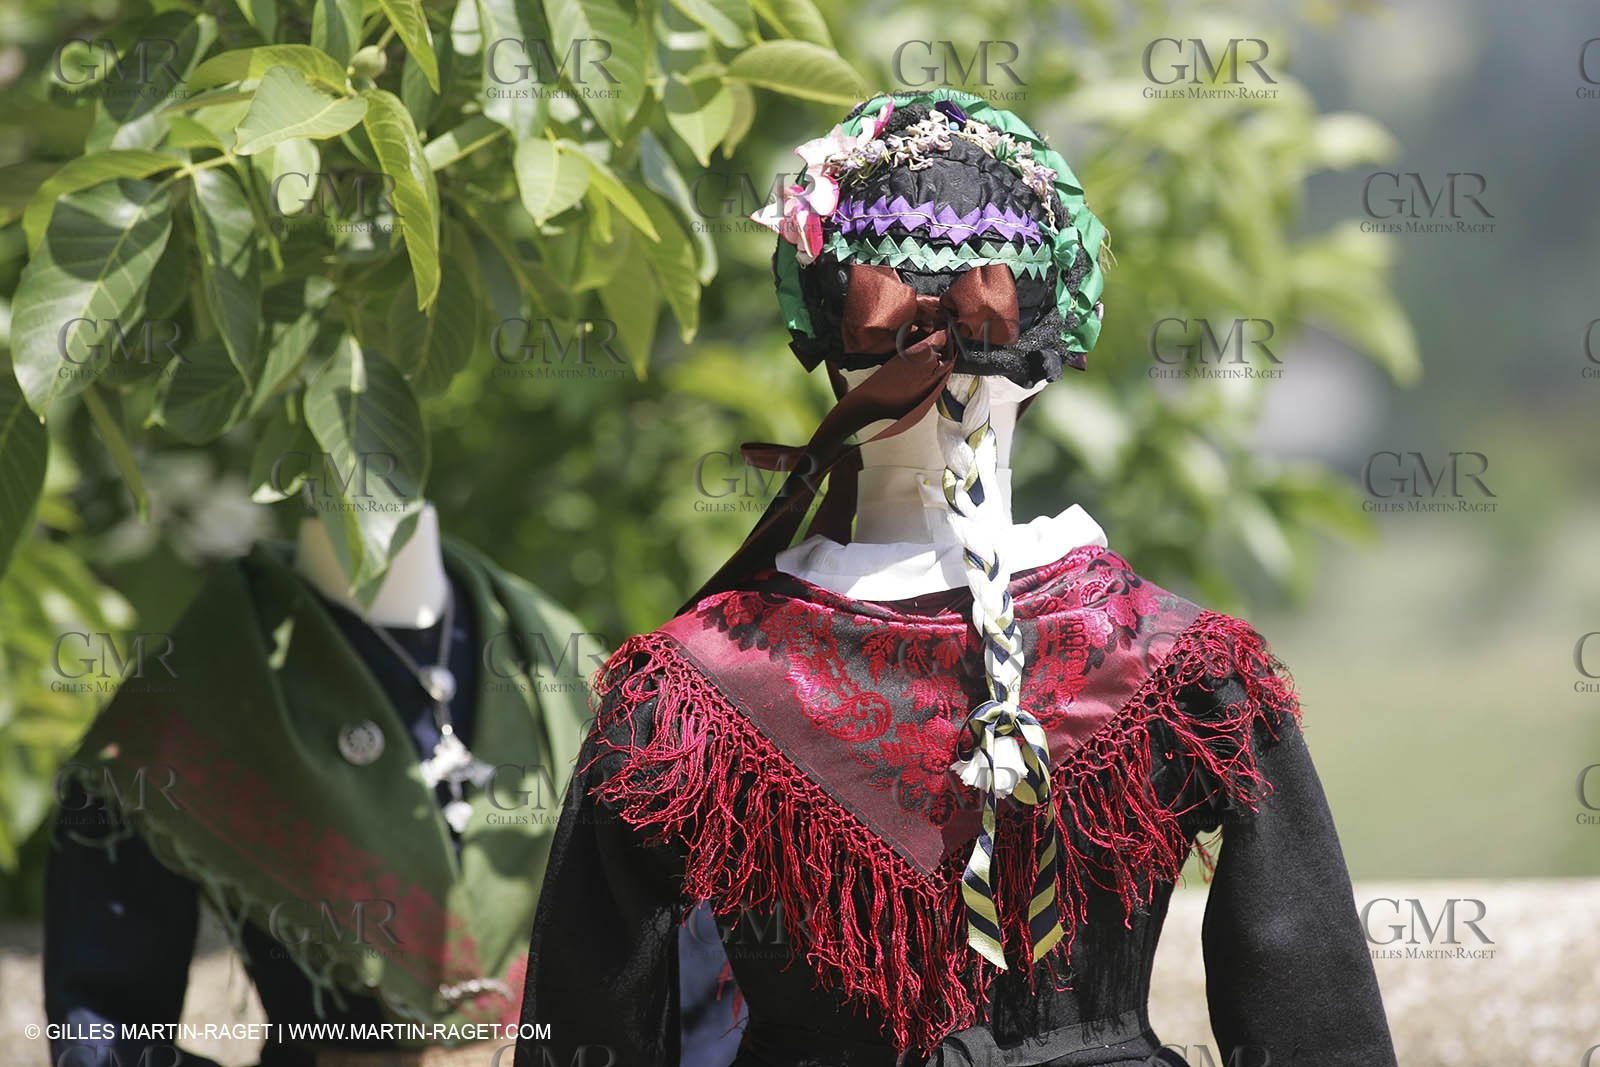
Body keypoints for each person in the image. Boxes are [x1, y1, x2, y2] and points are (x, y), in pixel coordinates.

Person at [516, 90, 1397, 1067]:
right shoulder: (1189, 674)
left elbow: (584, 1033)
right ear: (1052, 349)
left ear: (819, 340)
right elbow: (1320, 1027)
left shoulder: (682, 701)